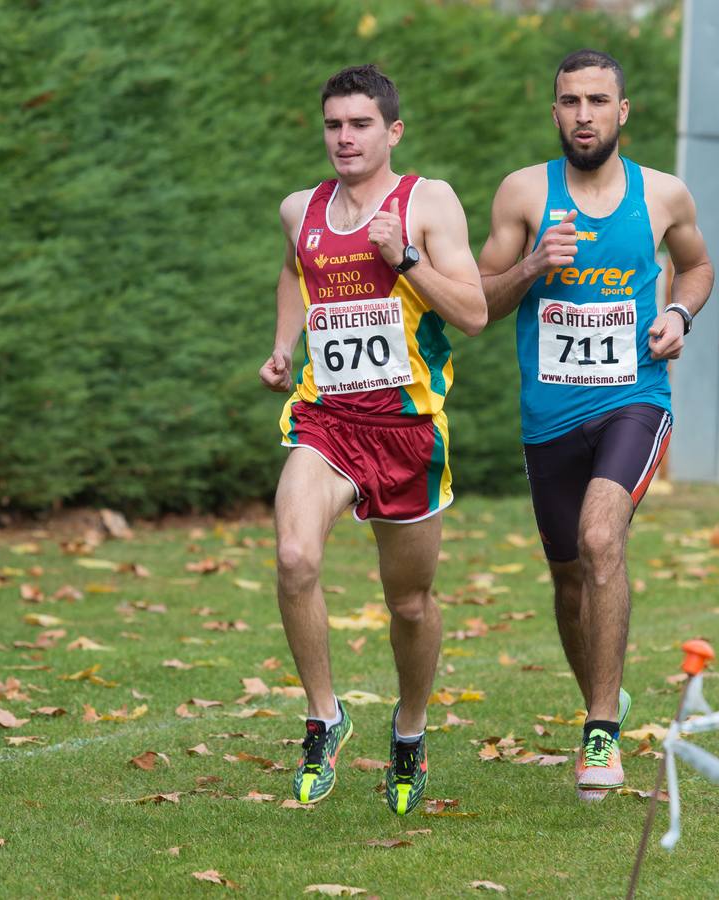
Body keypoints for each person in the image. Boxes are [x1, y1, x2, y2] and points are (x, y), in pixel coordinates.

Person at [478, 49, 714, 800]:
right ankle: (599, 699)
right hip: (549, 415)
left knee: (600, 538)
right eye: (570, 102)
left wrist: (678, 311)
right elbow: (477, 302)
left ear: (622, 111)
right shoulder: (523, 194)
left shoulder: (663, 195)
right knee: (567, 573)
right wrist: (531, 267)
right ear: (554, 113)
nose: (584, 115)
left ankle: (601, 729)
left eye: (598, 101)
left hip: (633, 399)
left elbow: (698, 267)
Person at [258, 64, 486, 816]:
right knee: (294, 556)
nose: (344, 138)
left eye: (359, 125)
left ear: (391, 131)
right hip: (326, 419)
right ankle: (325, 716)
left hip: (407, 430)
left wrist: (405, 259)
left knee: (411, 604)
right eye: (333, 125)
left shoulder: (428, 203)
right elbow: (294, 271)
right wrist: (285, 345)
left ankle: (411, 729)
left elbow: (476, 313)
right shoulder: (301, 208)